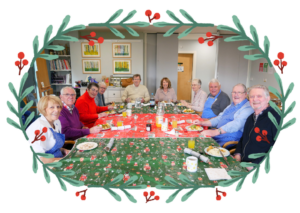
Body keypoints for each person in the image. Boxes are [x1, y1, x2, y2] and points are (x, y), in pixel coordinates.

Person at [234, 85, 280, 171]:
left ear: (267, 99)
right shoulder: (250, 118)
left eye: (259, 96)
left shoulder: (276, 118)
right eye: (252, 96)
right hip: (242, 164)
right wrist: (238, 154)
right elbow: (243, 138)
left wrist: (254, 164)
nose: (255, 99)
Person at [26, 95, 70, 164]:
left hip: (58, 159)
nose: (56, 110)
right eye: (52, 107)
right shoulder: (39, 127)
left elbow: (52, 147)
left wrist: (64, 150)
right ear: (44, 109)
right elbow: (40, 159)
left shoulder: (56, 122)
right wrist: (63, 160)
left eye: (58, 107)